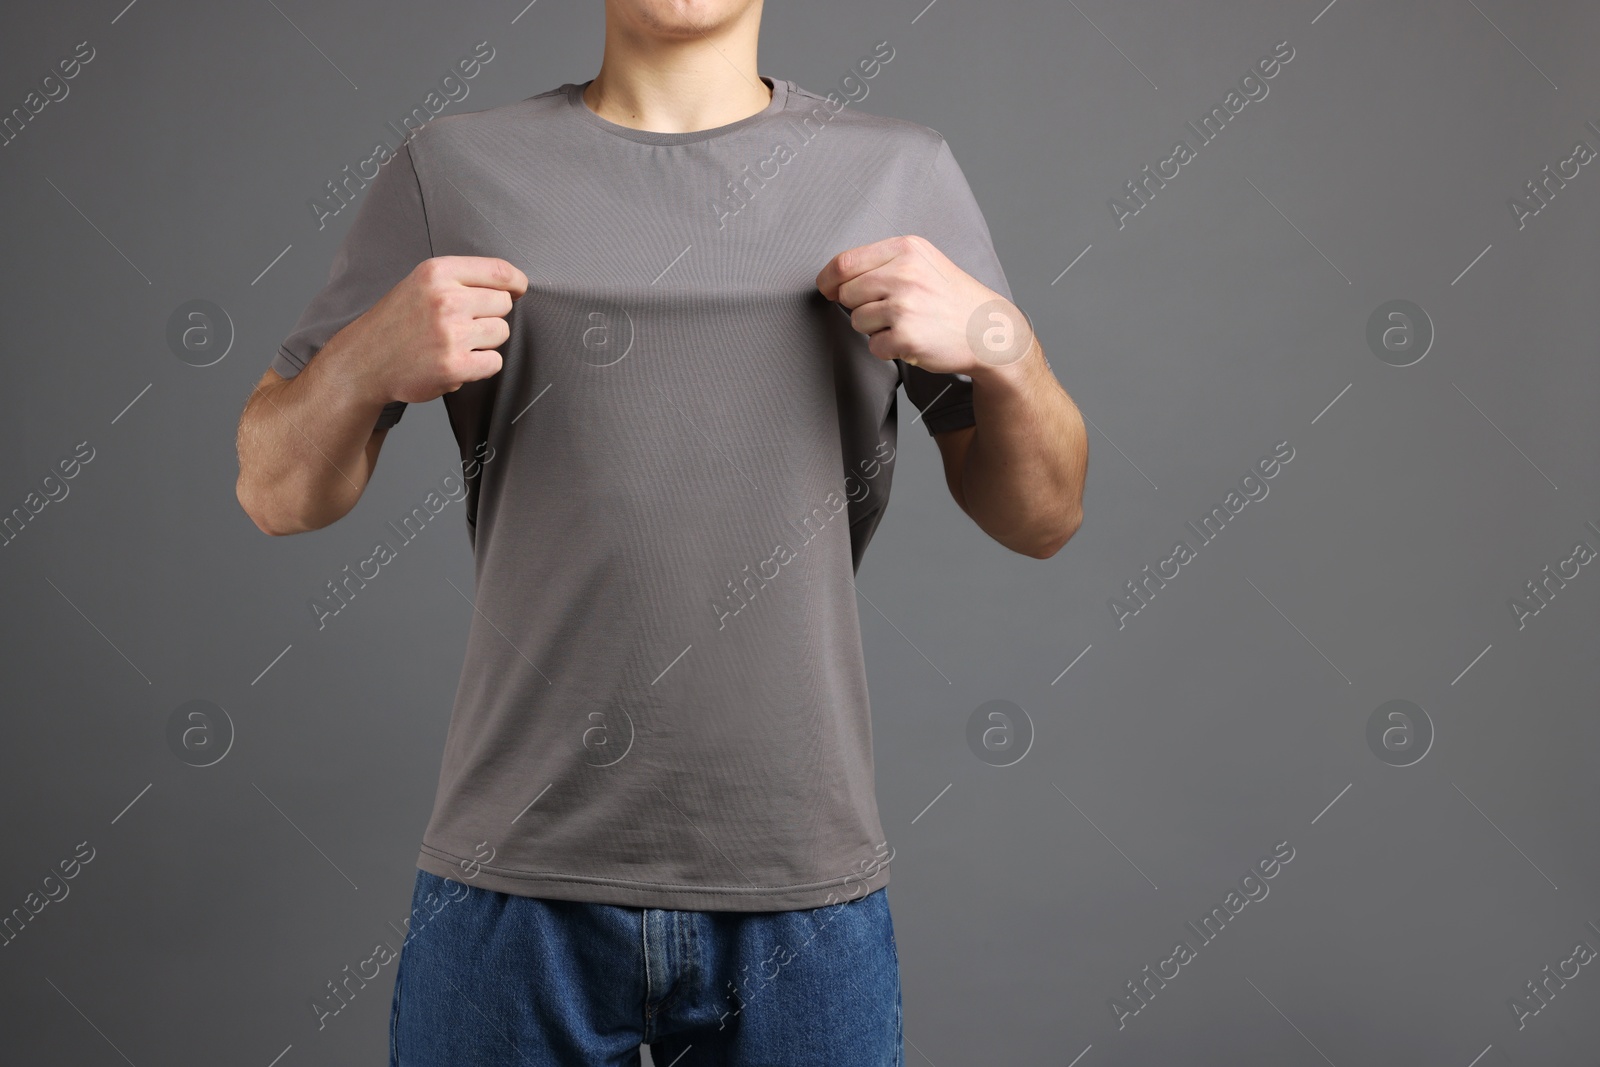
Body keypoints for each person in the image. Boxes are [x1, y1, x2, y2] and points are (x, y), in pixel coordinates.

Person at [234, 1, 1087, 1062]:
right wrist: (362, 360)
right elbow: (276, 491)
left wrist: (1002, 341)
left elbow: (1041, 516)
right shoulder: (452, 170)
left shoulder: (898, 174)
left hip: (796, 885)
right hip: (513, 876)